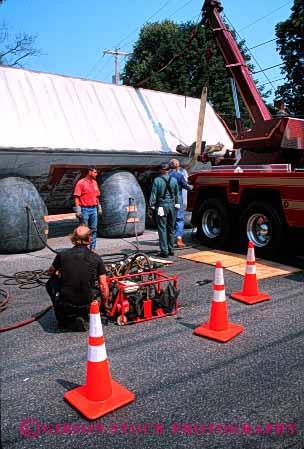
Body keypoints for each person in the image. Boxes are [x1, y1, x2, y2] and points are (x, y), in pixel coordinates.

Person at [46, 225, 109, 331]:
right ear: (89, 239)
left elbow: (50, 272)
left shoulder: (62, 255)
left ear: (73, 238)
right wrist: (105, 306)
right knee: (96, 288)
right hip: (87, 303)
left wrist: (59, 274)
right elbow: (103, 286)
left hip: (67, 302)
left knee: (50, 283)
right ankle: (85, 315)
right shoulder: (96, 258)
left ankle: (62, 317)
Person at [149, 162, 179, 258]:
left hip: (161, 206)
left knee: (162, 228)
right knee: (171, 228)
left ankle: (164, 251)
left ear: (160, 170)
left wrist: (152, 205)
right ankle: (171, 249)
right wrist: (177, 205)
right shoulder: (174, 180)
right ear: (168, 170)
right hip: (172, 206)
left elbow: (153, 194)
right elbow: (177, 193)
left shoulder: (157, 180)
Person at [73, 166, 102, 250]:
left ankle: (92, 248)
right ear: (90, 172)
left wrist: (99, 207)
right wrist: (78, 210)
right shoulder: (81, 183)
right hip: (84, 209)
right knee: (84, 230)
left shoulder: (95, 183)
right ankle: (83, 249)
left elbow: (96, 196)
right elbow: (76, 197)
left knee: (94, 229)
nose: (97, 174)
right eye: (95, 172)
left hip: (93, 209)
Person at [169, 159, 193, 248]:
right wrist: (192, 186)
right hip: (177, 200)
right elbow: (187, 187)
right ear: (178, 166)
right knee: (179, 219)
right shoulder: (179, 176)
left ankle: (169, 240)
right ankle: (179, 240)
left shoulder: (166, 176)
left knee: (169, 220)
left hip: (168, 201)